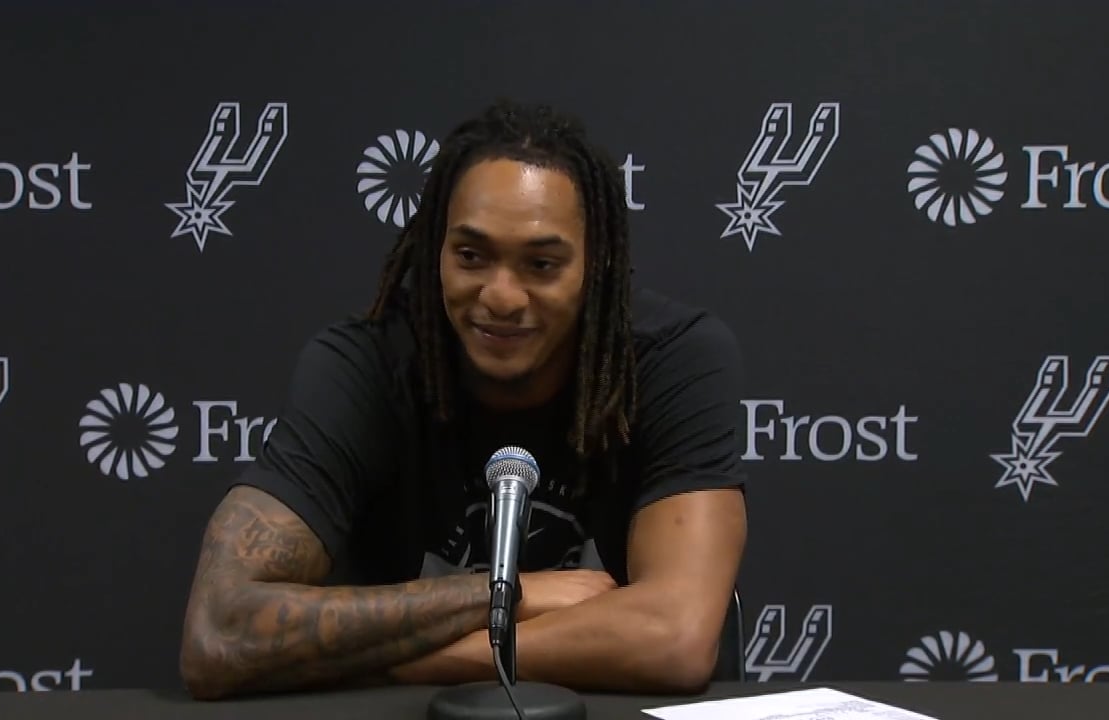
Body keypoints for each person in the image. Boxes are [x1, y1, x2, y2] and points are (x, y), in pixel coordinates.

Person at [178, 99, 749, 700]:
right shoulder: (366, 366)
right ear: (436, 251)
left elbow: (673, 637)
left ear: (596, 266)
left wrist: (384, 663)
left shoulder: (671, 359)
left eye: (541, 264)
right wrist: (504, 595)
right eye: (471, 256)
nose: (501, 296)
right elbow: (218, 632)